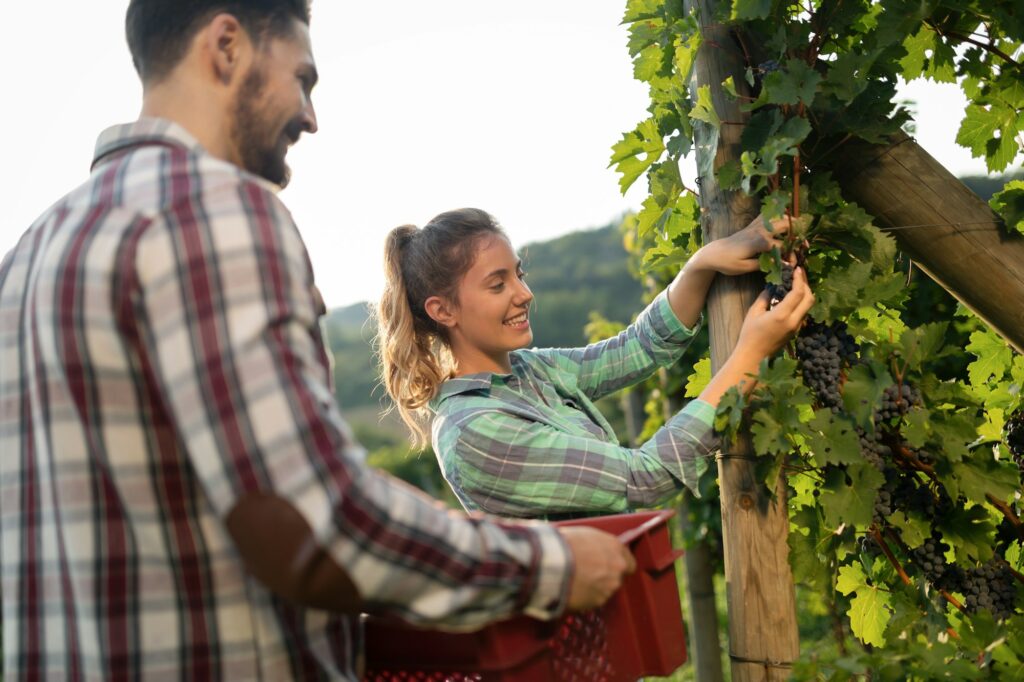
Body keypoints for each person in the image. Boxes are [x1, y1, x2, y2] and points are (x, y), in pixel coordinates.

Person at [0, 2, 636, 679]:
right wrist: (549, 564)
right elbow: (315, 520)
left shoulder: (30, 253)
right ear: (226, 46)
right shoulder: (213, 209)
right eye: (302, 79)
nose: (310, 116)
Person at [377, 208, 814, 518]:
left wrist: (701, 264)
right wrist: (749, 356)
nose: (524, 294)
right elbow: (644, 478)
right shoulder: (475, 432)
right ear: (443, 311)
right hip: (575, 644)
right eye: (498, 284)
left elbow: (637, 348)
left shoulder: (528, 371)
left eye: (519, 274)